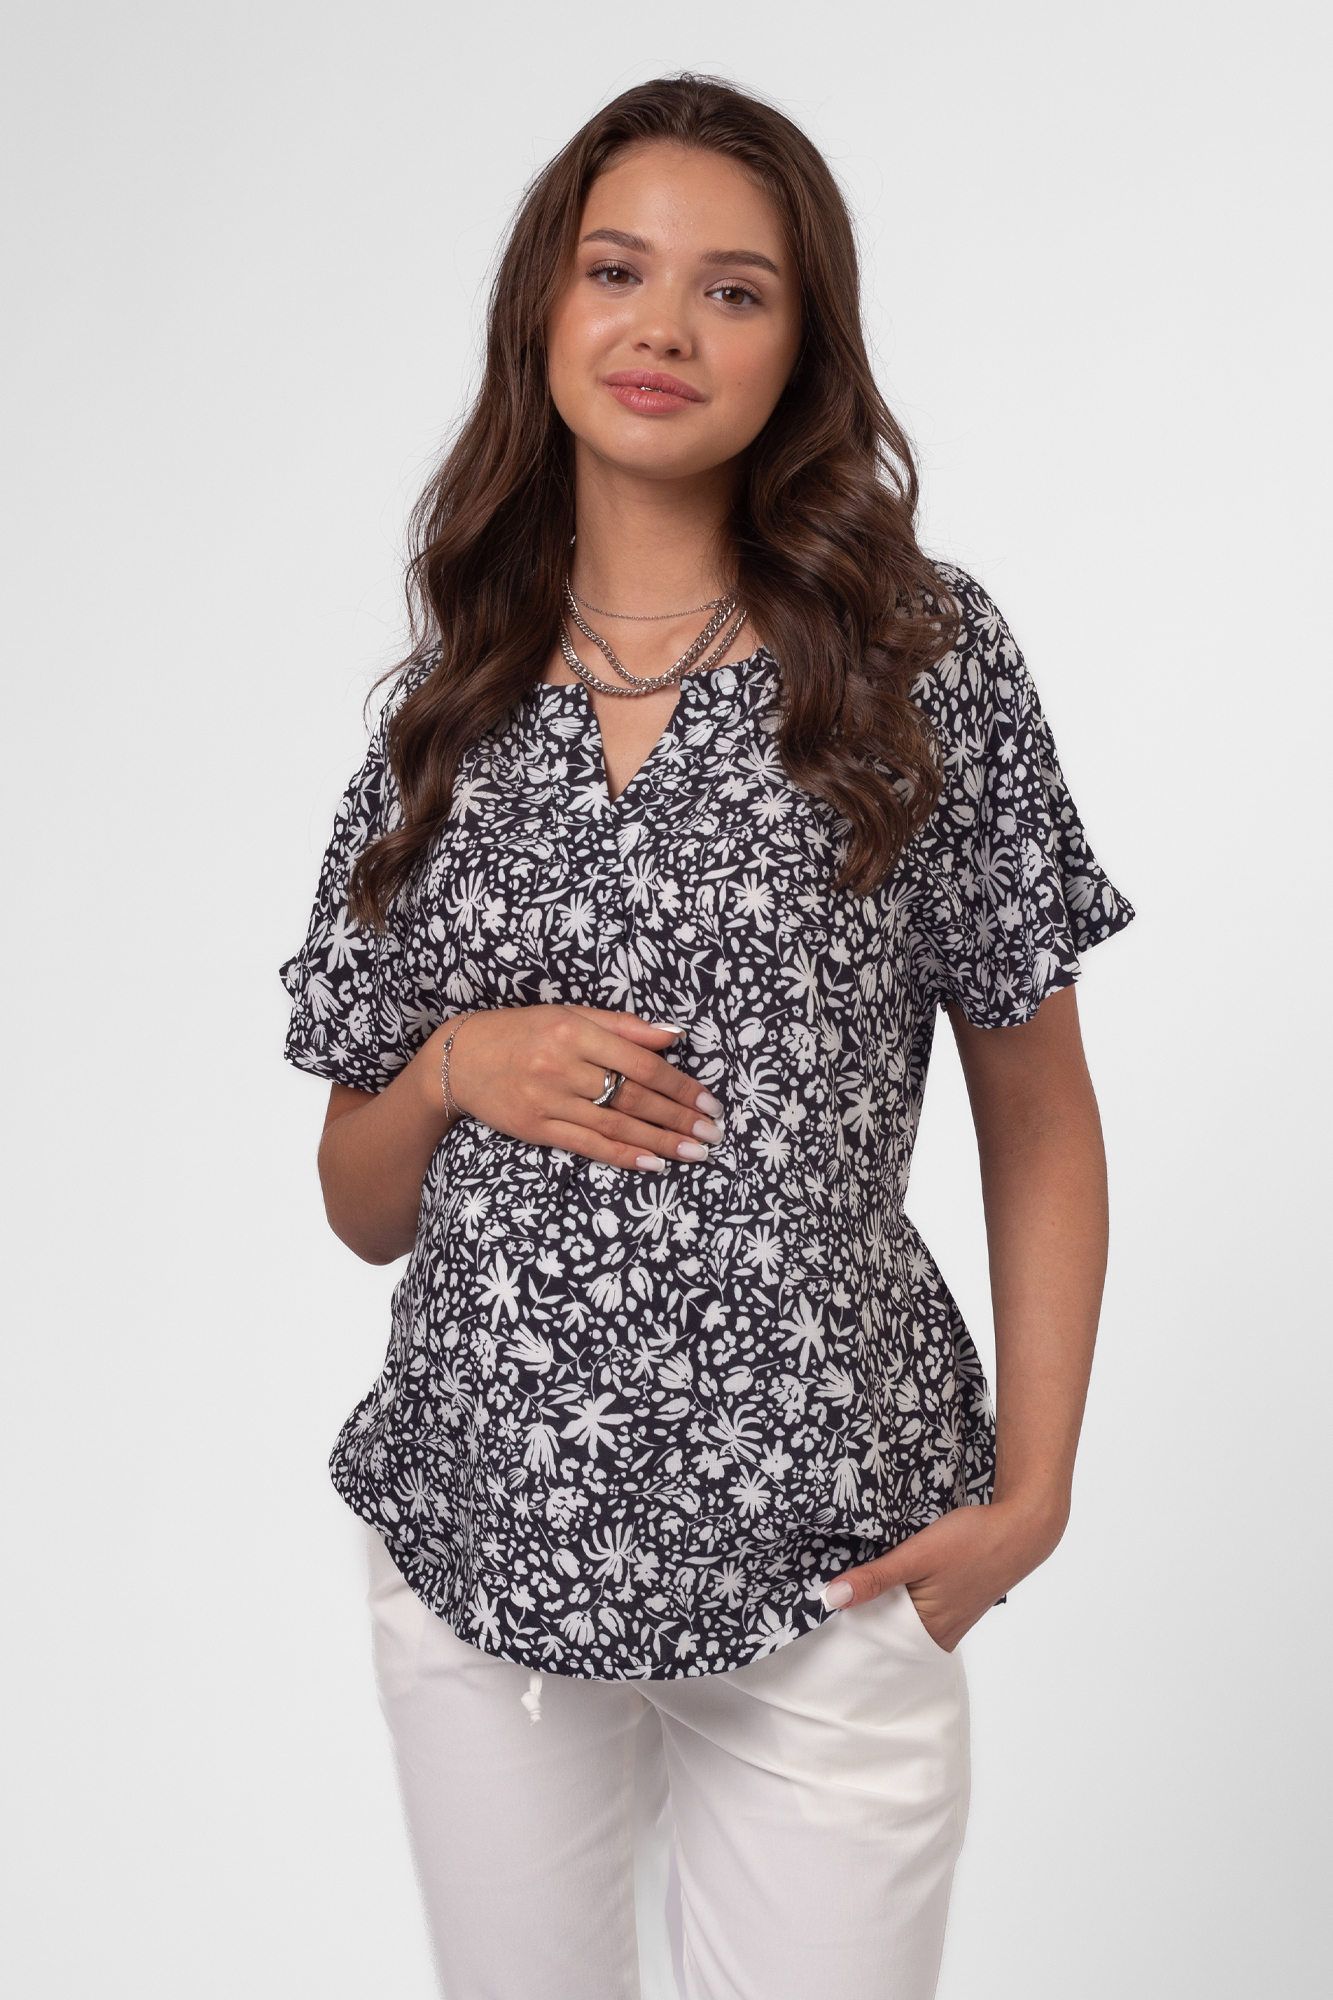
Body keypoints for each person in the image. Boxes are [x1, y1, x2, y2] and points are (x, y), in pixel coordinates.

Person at [278, 72, 1134, 2000]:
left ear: (800, 345)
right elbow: (356, 1203)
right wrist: (453, 1067)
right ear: (544, 309)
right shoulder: (444, 711)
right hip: (483, 1530)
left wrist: (1033, 1492)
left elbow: (1038, 1109)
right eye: (617, 270)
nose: (662, 325)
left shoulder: (916, 662)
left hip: (830, 1541)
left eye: (732, 289)